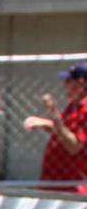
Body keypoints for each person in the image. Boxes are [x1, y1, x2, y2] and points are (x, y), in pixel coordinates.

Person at [23, 61, 87, 192]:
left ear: (81, 83)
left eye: (68, 81)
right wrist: (45, 123)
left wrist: (54, 115)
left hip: (71, 187)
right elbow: (64, 130)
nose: (65, 86)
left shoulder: (85, 109)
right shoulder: (72, 107)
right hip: (53, 182)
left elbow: (73, 146)